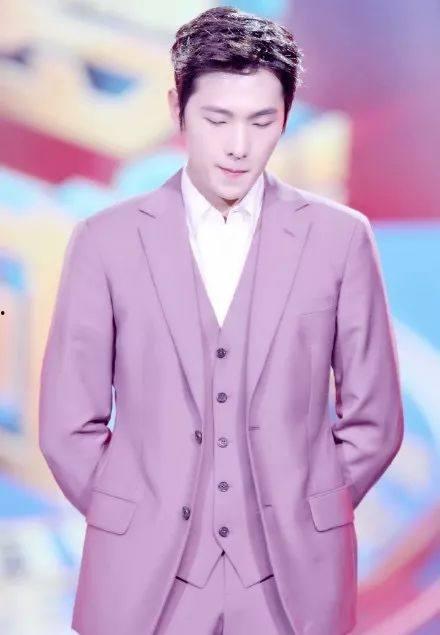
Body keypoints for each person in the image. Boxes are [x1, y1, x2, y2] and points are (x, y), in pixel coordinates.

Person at [38, 6, 404, 635]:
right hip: (143, 581)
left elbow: (375, 419)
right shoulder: (104, 240)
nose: (239, 145)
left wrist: (308, 504)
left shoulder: (341, 239)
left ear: (286, 118)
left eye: (262, 121)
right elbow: (68, 422)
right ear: (177, 109)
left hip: (293, 582)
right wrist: (133, 515)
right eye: (217, 120)